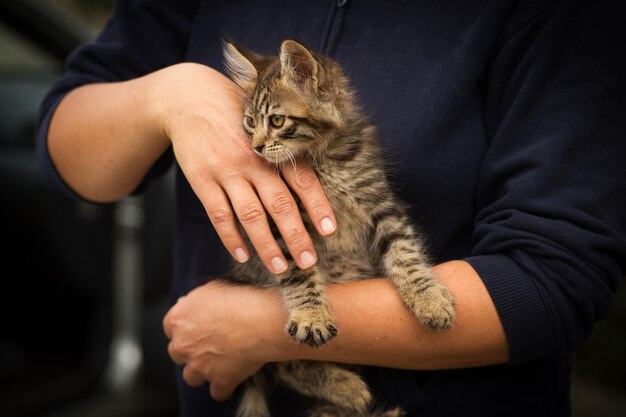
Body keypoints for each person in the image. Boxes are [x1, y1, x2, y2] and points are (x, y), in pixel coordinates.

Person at [36, 0, 626, 416]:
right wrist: (166, 94)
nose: (262, 143)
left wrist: (265, 330)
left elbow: (557, 280)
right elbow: (67, 151)